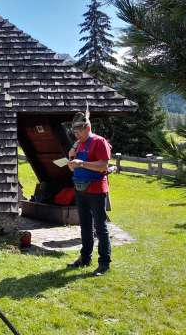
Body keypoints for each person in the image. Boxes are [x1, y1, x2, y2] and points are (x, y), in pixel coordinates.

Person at [67, 111, 112, 276]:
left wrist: (82, 163)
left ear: (87, 127)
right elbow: (75, 162)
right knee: (85, 225)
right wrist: (72, 163)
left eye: (79, 131)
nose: (76, 134)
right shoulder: (79, 144)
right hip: (80, 189)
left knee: (100, 227)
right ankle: (85, 258)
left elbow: (103, 166)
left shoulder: (99, 142)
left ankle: (104, 263)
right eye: (74, 132)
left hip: (96, 189)